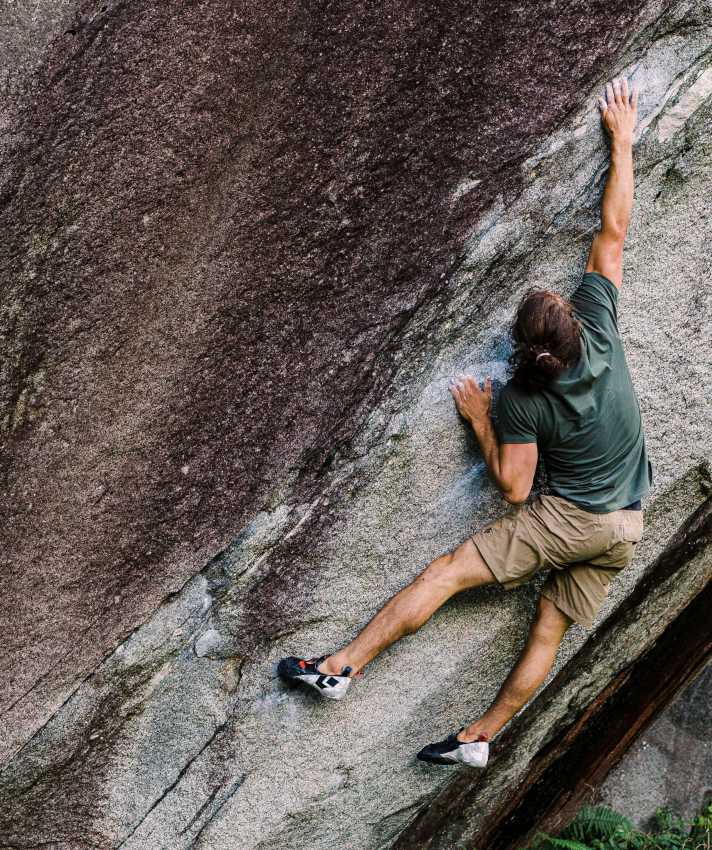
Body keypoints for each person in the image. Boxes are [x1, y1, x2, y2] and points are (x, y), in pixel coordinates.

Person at [278, 77, 653, 767]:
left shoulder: (518, 400)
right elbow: (614, 232)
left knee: (446, 573)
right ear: (572, 332)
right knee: (547, 630)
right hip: (627, 524)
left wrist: (482, 419)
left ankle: (339, 667)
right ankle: (481, 738)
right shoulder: (600, 327)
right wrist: (623, 142)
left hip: (572, 519)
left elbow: (514, 490)